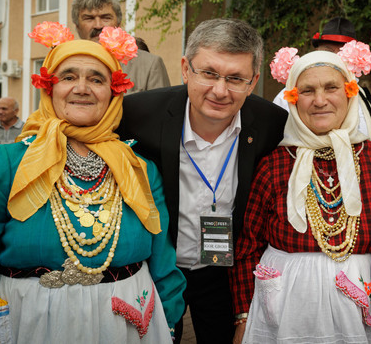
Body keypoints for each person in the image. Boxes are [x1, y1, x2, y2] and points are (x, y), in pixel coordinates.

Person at [0, 23, 185, 343]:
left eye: (97, 79)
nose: (82, 88)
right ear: (49, 88)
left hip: (127, 327)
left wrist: (170, 321)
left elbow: (163, 262)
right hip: (31, 324)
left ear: (113, 92)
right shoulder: (9, 163)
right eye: (68, 77)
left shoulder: (140, 167)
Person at [117, 18, 288, 343]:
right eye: (208, 73)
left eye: (235, 78)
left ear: (253, 82)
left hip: (222, 268)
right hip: (157, 268)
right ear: (185, 68)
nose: (220, 91)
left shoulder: (271, 124)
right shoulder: (138, 115)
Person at [230, 48, 371, 343]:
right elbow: (247, 247)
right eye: (307, 90)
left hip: (361, 314)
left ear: (349, 93)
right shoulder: (273, 164)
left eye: (331, 88)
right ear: (293, 99)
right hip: (284, 316)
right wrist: (242, 316)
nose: (320, 100)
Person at [272, 17, 371, 142]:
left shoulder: (366, 99)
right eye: (328, 51)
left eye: (342, 53)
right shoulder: (286, 97)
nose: (334, 58)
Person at [72, 0, 171, 93]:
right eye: (89, 18)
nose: (98, 25)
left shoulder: (149, 65)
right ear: (77, 26)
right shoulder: (63, 65)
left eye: (106, 18)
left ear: (118, 24)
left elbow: (161, 108)